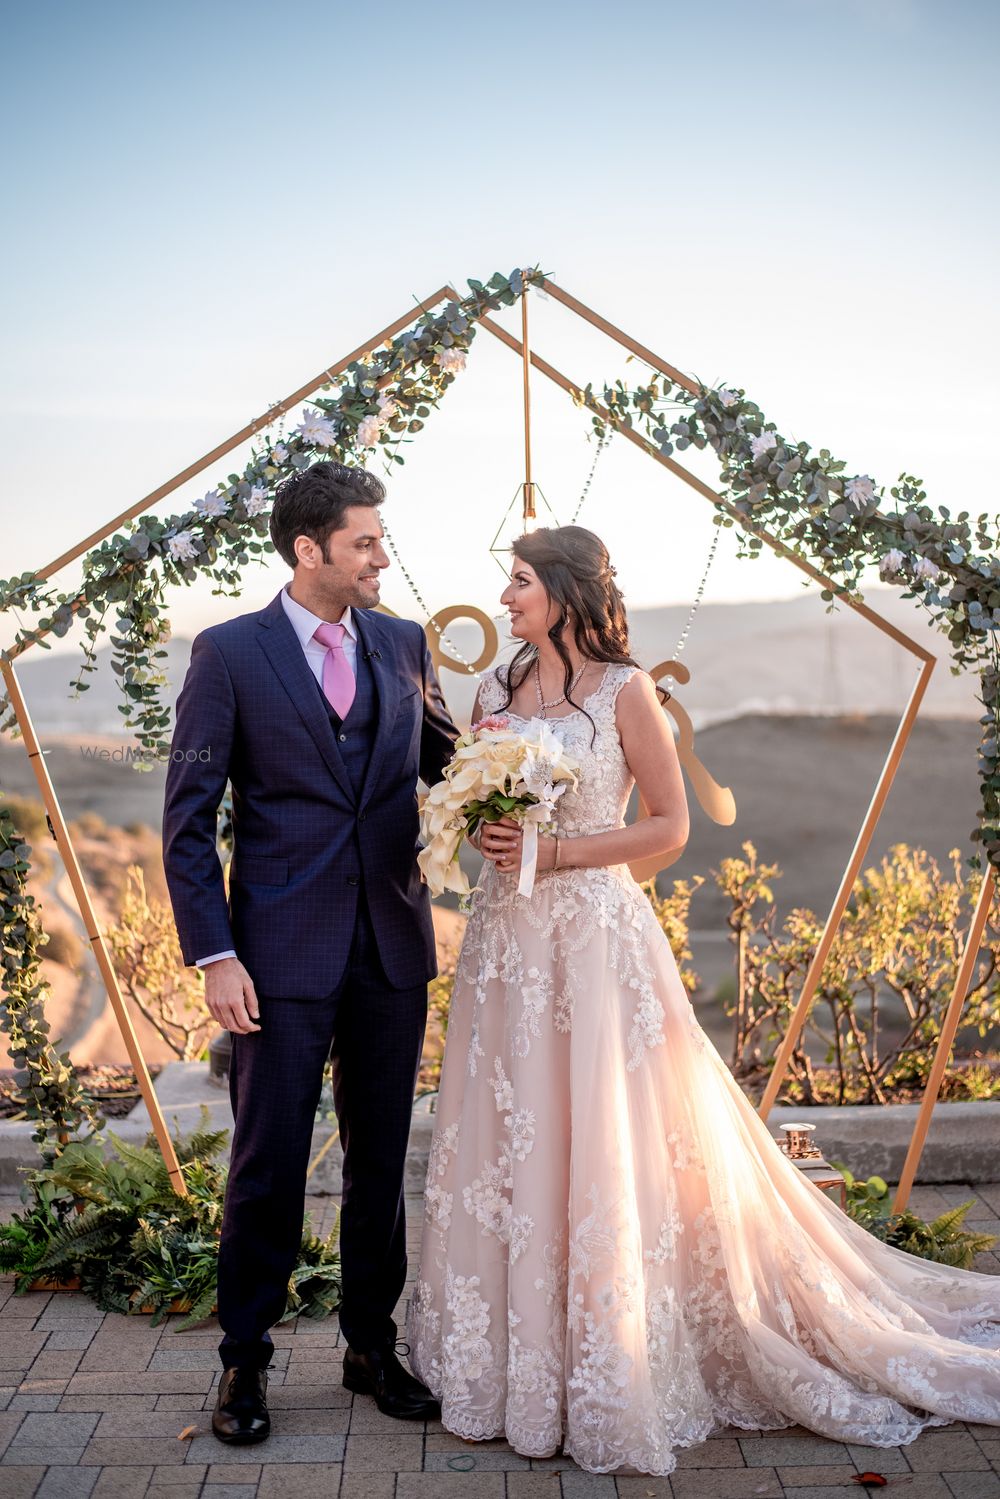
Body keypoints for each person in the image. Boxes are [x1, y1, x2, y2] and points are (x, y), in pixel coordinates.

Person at [408, 523, 1000, 1476]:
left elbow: (669, 827)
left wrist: (554, 853)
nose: (507, 598)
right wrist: (491, 835)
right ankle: (511, 1367)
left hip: (595, 938)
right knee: (509, 1129)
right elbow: (491, 814)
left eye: (518, 582)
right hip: (507, 943)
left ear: (561, 589)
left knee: (601, 1132)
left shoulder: (624, 689)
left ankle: (609, 1360)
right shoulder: (496, 689)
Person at [162, 460, 457, 1444]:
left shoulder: (405, 642)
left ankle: (371, 1346)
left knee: (381, 1161)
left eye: (381, 537)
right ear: (309, 549)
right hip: (275, 956)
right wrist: (215, 955)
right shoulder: (230, 654)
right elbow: (188, 822)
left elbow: (451, 766)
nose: (383, 554)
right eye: (366, 540)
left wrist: (532, 750)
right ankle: (243, 1361)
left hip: (389, 946)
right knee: (267, 1162)